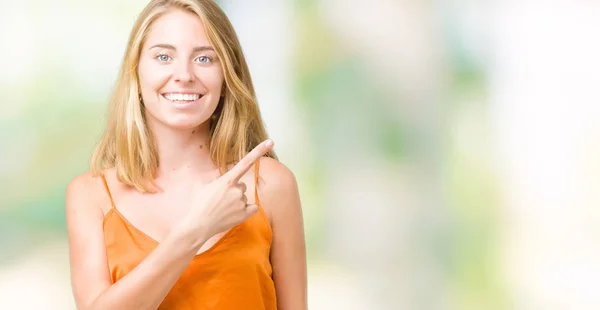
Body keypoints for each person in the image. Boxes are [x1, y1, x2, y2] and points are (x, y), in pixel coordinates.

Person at [65, 0, 307, 309]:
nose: (184, 74)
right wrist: (196, 230)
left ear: (227, 76)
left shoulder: (273, 185)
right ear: (136, 72)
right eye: (163, 56)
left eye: (204, 58)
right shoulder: (91, 195)